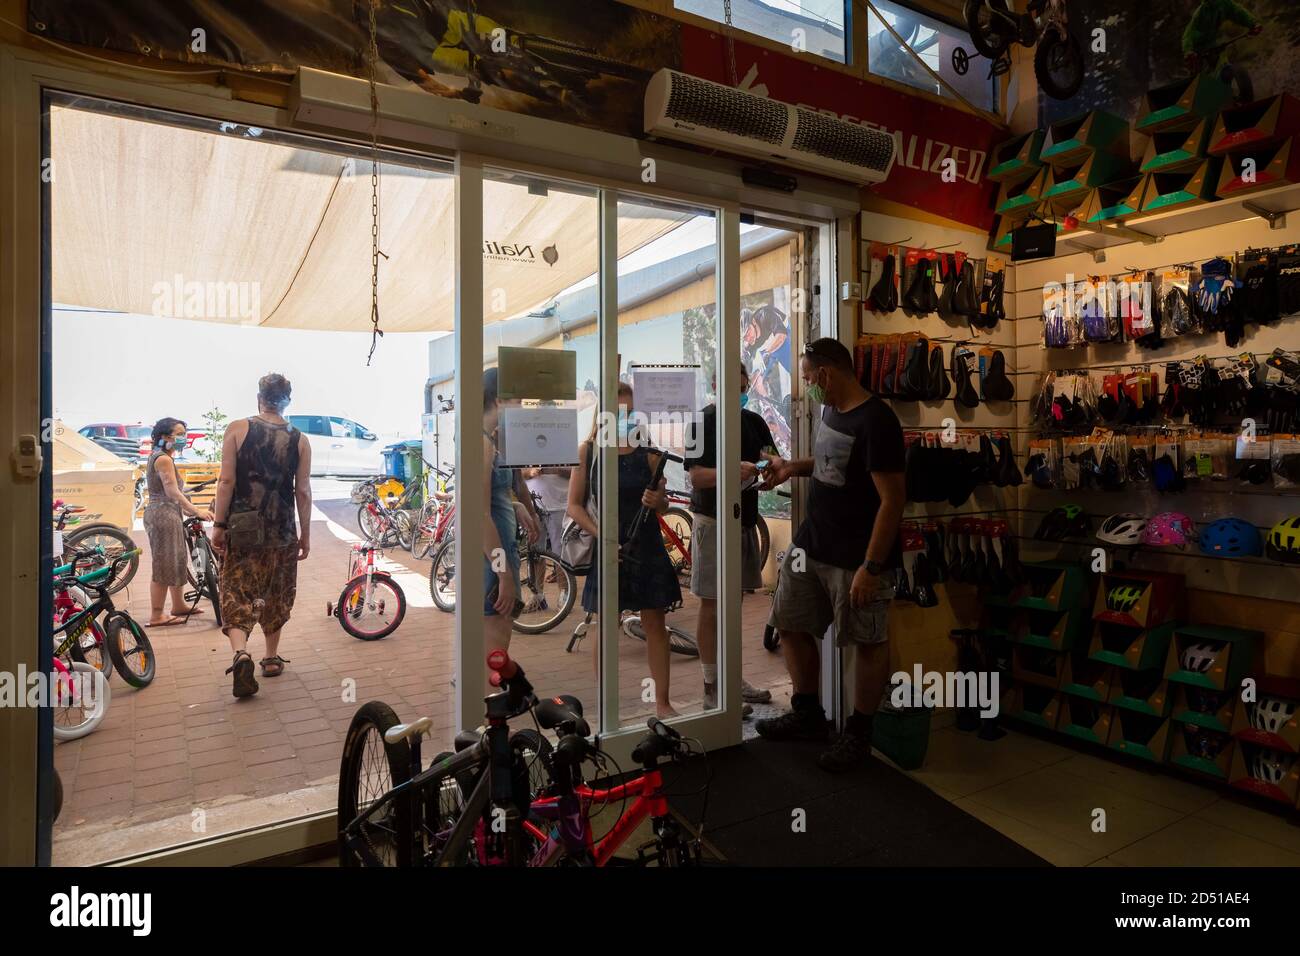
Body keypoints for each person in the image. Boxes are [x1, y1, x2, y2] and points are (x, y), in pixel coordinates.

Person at [756, 338, 907, 772]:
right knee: (789, 622)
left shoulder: (877, 421)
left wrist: (871, 567)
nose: (808, 388)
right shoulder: (830, 411)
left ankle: (859, 735)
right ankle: (808, 714)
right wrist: (790, 467)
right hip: (812, 543)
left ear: (826, 374)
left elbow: (893, 501)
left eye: (808, 379)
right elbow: (829, 464)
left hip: (856, 556)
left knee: (866, 641)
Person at [567, 382, 683, 717]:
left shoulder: (648, 452)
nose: (626, 417)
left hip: (645, 544)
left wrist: (657, 500)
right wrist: (602, 534)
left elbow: (663, 506)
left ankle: (662, 702)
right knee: (607, 624)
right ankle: (607, 703)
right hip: (610, 547)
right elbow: (574, 506)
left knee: (654, 624)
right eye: (619, 411)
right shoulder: (588, 451)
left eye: (630, 412)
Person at [210, 374, 312, 699]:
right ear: (288, 401)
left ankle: (241, 653)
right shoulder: (300, 439)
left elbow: (226, 482)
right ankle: (270, 659)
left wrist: (219, 524)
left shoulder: (238, 429)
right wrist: (305, 534)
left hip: (242, 528)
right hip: (282, 530)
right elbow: (304, 492)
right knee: (276, 590)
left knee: (236, 588)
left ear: (259, 398)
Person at [684, 363, 774, 716]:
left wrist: (772, 469)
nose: (737, 392)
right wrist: (730, 471)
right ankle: (712, 688)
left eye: (742, 385)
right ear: (715, 384)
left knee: (732, 604)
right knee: (712, 603)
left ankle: (732, 678)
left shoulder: (754, 421)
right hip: (712, 522)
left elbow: (770, 457)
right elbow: (696, 478)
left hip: (745, 520)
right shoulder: (701, 422)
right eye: (730, 386)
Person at [482, 369, 541, 661]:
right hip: (494, 560)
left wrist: (516, 506)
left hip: (500, 555)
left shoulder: (490, 440)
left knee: (498, 640)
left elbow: (492, 497)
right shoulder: (481, 441)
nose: (520, 408)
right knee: (494, 646)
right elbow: (479, 514)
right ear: (498, 400)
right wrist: (503, 572)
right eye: (516, 400)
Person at [142, 417, 212, 626]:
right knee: (164, 564)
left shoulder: (159, 456)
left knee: (177, 559)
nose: (184, 438)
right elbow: (171, 492)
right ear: (164, 437)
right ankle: (157, 614)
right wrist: (195, 510)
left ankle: (178, 605)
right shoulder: (163, 459)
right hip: (164, 515)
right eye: (179, 434)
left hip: (165, 513)